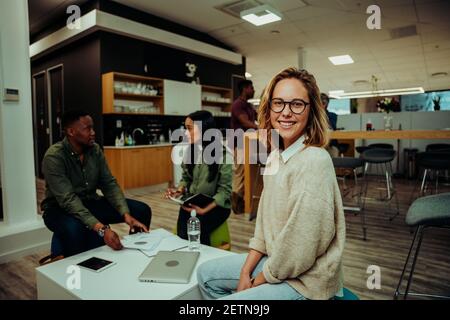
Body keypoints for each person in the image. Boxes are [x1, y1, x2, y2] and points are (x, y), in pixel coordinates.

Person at [196, 67, 346, 300]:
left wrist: (256, 281)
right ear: (269, 108)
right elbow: (264, 227)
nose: (286, 112)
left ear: (311, 111)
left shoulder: (315, 161)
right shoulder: (276, 157)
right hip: (277, 262)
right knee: (205, 275)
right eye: (279, 103)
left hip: (306, 282)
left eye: (297, 104)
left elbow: (299, 249)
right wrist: (245, 271)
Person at [41, 110, 151, 257]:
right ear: (71, 131)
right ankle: (72, 263)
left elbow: (109, 184)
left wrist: (126, 214)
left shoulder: (95, 150)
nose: (93, 132)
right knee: (76, 229)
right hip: (59, 209)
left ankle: (133, 255)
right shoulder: (54, 157)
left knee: (141, 210)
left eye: (92, 128)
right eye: (87, 129)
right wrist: (102, 229)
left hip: (90, 202)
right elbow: (68, 200)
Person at [165, 110, 232, 246]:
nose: (185, 132)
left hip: (216, 207)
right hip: (195, 202)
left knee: (196, 227)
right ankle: (185, 254)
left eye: (189, 128)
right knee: (184, 226)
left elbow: (225, 192)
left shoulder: (224, 156)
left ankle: (201, 258)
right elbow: (186, 178)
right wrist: (180, 190)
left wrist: (204, 210)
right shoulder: (190, 151)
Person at [230, 79, 257, 214]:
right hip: (240, 144)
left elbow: (256, 118)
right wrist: (260, 127)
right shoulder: (237, 105)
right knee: (240, 175)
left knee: (248, 174)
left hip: (250, 143)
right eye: (251, 88)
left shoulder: (249, 106)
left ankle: (245, 205)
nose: (253, 90)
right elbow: (245, 122)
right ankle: (236, 206)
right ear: (245, 88)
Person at [321, 93, 339, 157]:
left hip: (331, 144)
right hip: (317, 144)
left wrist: (322, 113)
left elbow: (332, 127)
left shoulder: (332, 115)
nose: (322, 105)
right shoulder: (312, 116)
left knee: (333, 152)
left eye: (324, 103)